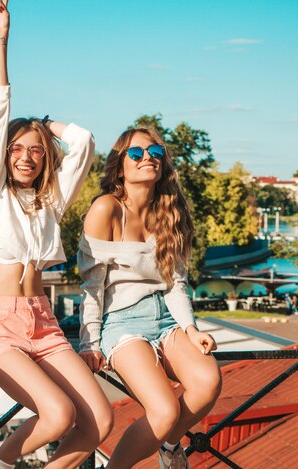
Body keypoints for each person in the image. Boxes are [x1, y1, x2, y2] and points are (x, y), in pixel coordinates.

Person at [0, 2, 113, 468]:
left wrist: (43, 124)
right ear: (3, 154)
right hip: (1, 326)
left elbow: (86, 141)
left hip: (44, 321)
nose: (26, 156)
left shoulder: (51, 200)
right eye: (17, 148)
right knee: (56, 415)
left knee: (99, 421)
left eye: (35, 150)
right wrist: (0, 40)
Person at [78, 127, 222, 469]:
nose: (148, 159)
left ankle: (170, 446)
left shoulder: (170, 211)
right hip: (123, 322)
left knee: (208, 382)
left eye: (156, 153)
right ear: (119, 166)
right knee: (164, 409)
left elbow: (175, 283)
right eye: (137, 154)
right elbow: (92, 286)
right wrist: (89, 344)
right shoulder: (105, 209)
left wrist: (190, 329)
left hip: (166, 316)